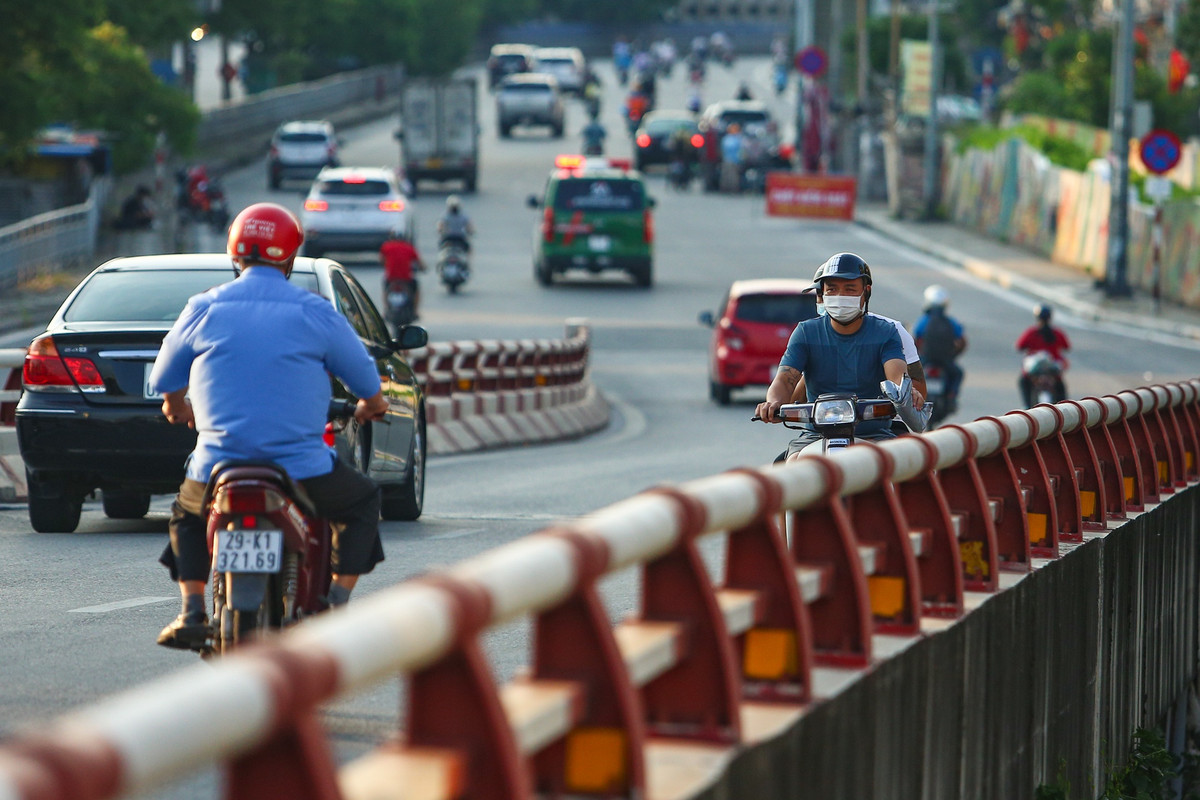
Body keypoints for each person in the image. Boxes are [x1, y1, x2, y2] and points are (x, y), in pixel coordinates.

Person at [150, 202, 388, 650]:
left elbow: (164, 379)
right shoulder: (315, 312)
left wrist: (177, 407)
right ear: (290, 258)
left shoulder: (204, 307)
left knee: (186, 512)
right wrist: (371, 404)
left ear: (234, 255)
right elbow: (367, 382)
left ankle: (193, 611)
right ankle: (336, 603)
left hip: (217, 465)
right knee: (362, 503)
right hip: (302, 467)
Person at [755, 253, 922, 460]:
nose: (840, 295)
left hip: (875, 435)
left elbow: (897, 374)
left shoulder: (886, 332)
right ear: (822, 293)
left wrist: (906, 391)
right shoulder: (805, 332)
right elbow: (785, 379)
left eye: (849, 289)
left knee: (904, 469)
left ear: (866, 292)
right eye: (832, 289)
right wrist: (773, 402)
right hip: (814, 435)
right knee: (788, 469)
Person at [913, 285, 967, 413]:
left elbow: (914, 340)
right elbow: (962, 342)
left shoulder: (923, 321)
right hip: (945, 360)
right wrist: (953, 356)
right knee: (958, 374)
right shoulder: (951, 322)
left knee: (911, 376)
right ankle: (952, 396)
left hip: (925, 359)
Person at [1016, 303, 1070, 405]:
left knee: (1023, 382)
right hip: (1052, 369)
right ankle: (1064, 407)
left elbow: (1019, 346)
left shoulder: (1031, 332)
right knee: (1060, 386)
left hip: (1035, 370)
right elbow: (1067, 347)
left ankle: (1027, 408)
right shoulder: (1057, 333)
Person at [380, 228, 426, 319]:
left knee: (385, 290)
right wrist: (423, 268)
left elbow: (381, 261)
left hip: (391, 278)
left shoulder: (386, 247)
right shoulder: (409, 248)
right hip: (406, 278)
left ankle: (386, 309)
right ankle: (415, 311)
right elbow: (420, 263)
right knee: (416, 290)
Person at [719, 123, 744, 193]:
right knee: (725, 175)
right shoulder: (726, 138)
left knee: (733, 176)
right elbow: (723, 149)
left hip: (735, 160)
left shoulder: (739, 138)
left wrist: (740, 159)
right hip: (727, 159)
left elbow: (741, 150)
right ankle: (725, 188)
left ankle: (734, 189)